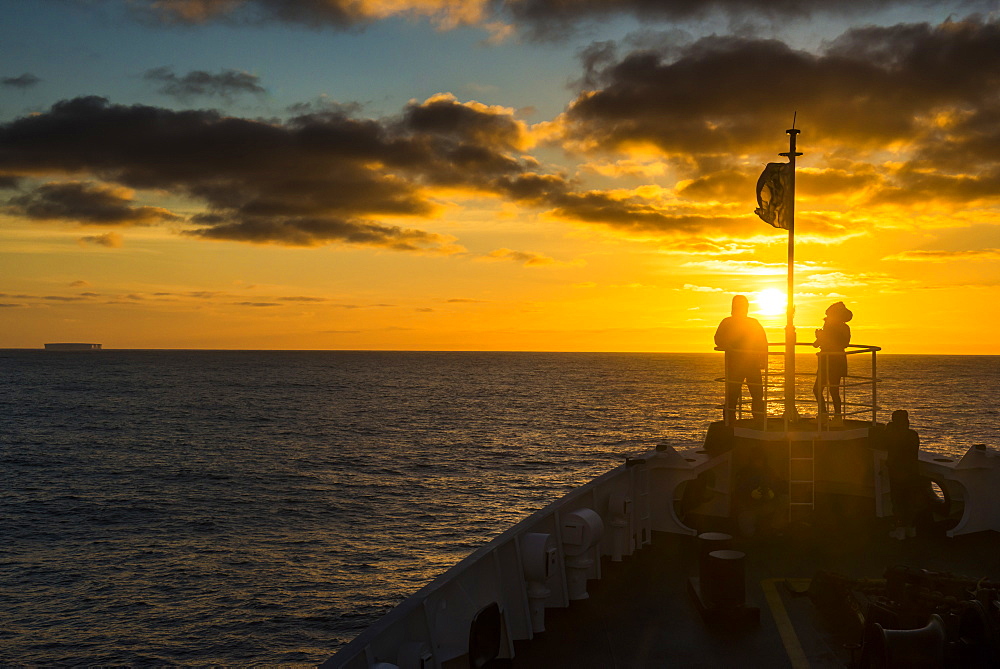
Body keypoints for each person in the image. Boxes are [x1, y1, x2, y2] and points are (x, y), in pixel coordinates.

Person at [715, 295, 769, 424]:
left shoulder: (752, 322)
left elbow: (763, 342)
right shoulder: (728, 322)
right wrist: (725, 345)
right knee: (733, 394)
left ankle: (759, 419)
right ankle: (731, 421)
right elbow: (718, 338)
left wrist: (763, 359)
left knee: (757, 393)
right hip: (736, 364)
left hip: (751, 363)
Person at [813, 301, 852, 423]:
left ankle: (826, 415)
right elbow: (844, 343)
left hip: (830, 360)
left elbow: (818, 344)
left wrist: (820, 336)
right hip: (835, 360)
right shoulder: (844, 327)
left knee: (820, 389)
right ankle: (835, 417)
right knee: (832, 390)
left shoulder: (832, 327)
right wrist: (820, 336)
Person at [885, 410, 920, 540]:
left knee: (898, 500)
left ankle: (899, 529)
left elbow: (884, 443)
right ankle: (911, 528)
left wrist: (889, 428)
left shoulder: (893, 435)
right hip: (912, 471)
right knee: (910, 500)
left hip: (897, 472)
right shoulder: (913, 435)